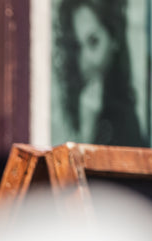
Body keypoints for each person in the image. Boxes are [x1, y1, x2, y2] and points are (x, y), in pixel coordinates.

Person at [54, 0, 146, 147]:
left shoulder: (124, 118)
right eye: (78, 46)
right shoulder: (79, 100)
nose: (85, 60)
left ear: (114, 38)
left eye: (93, 42)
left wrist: (87, 131)